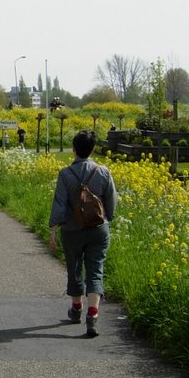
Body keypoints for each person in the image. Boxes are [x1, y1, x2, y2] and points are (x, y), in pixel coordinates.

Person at [48, 130, 117, 338]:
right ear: (93, 149)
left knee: (75, 267)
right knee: (96, 271)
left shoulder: (66, 174)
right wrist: (107, 220)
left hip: (72, 230)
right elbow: (111, 201)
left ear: (74, 148)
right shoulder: (104, 171)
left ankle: (76, 309)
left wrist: (53, 231)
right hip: (98, 228)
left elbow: (59, 205)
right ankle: (92, 316)